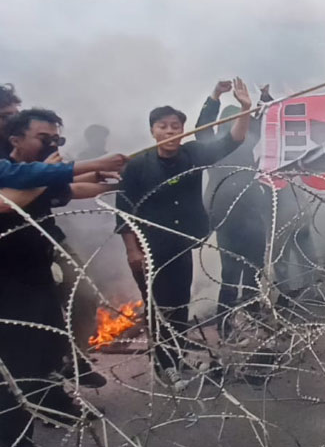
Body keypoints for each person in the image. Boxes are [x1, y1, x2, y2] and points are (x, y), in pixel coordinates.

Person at [116, 77, 252, 389]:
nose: (169, 132)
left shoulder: (191, 154)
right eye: (162, 126)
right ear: (152, 130)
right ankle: (165, 367)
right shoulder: (137, 166)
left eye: (175, 126)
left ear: (182, 129)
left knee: (178, 305)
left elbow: (232, 140)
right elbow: (123, 210)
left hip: (182, 244)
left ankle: (173, 360)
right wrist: (132, 250)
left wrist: (245, 109)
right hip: (151, 248)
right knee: (159, 307)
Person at [0, 108, 119, 447]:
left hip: (40, 255)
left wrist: (112, 181)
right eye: (43, 138)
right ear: (15, 138)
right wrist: (58, 170)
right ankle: (18, 426)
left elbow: (66, 190)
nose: (51, 145)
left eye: (56, 139)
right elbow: (11, 201)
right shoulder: (12, 169)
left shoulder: (37, 173)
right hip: (9, 269)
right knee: (19, 348)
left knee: (56, 328)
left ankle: (60, 380)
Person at [195, 81, 268, 337]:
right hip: (226, 214)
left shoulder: (249, 142)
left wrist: (264, 97)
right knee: (230, 271)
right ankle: (226, 323)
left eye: (240, 120)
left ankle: (252, 317)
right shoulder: (212, 148)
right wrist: (214, 97)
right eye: (232, 121)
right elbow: (201, 128)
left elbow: (262, 120)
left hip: (252, 210)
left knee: (254, 269)